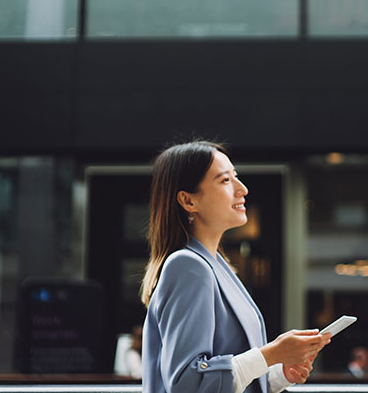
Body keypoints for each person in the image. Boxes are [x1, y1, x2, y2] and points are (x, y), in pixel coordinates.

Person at [141, 141, 332, 393]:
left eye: (236, 177)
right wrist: (271, 354)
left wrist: (276, 373)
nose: (242, 189)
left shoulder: (217, 266)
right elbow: (187, 383)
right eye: (224, 181)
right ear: (188, 201)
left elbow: (224, 373)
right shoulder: (188, 266)